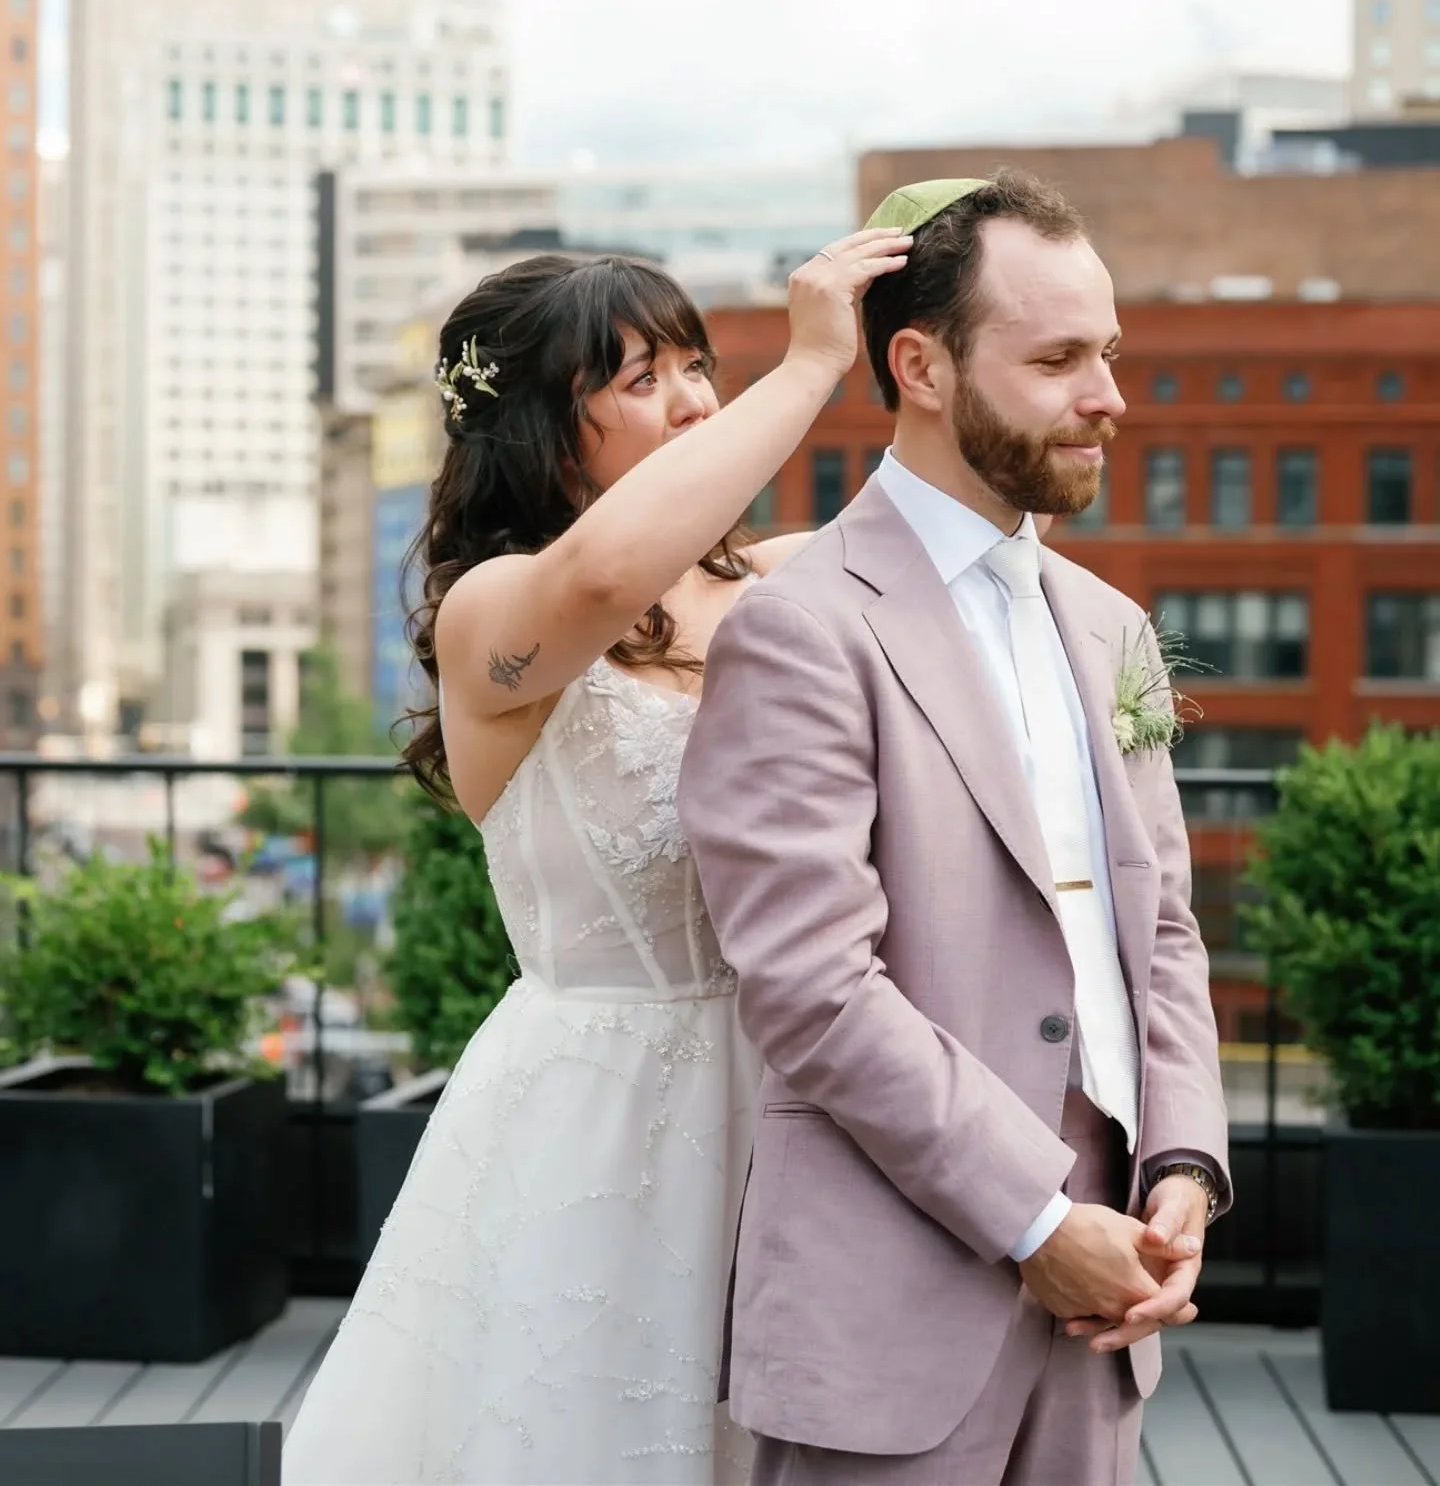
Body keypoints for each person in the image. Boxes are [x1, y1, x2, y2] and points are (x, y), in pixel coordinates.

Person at [282, 228, 912, 1486]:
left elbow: (948, 530)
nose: (692, 398)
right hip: (598, 1114)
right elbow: (604, 572)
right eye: (640, 379)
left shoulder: (780, 585)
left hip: (804, 1088)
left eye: (698, 366)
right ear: (539, 430)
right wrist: (806, 370)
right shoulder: (495, 614)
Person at [677, 171, 1231, 1486]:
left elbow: (1159, 926)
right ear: (919, 365)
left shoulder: (1110, 628)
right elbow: (810, 985)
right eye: (1055, 359)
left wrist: (1187, 1164)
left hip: (1112, 1301)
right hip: (892, 1305)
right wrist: (1038, 1217)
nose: (1109, 395)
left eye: (1108, 352)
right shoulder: (801, 627)